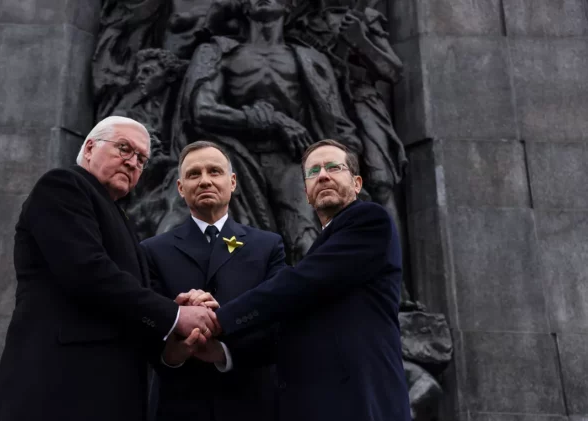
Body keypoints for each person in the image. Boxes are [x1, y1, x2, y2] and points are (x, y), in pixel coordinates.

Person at [0, 116, 219, 421]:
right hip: (59, 389)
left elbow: (124, 300)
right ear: (89, 148)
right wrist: (174, 315)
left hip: (106, 394)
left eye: (141, 159)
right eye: (124, 148)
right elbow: (87, 273)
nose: (133, 162)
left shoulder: (117, 216)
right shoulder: (62, 186)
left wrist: (172, 341)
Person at [207, 139, 411, 421]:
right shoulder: (321, 251)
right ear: (306, 193)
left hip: (360, 404)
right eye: (313, 172)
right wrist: (221, 351)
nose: (323, 175)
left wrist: (219, 319)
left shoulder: (370, 220)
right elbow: (291, 330)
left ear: (357, 184)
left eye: (334, 167)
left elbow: (300, 283)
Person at [164, 0, 362, 263]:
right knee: (220, 243)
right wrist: (270, 120)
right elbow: (201, 108)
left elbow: (336, 123)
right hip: (231, 159)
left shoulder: (310, 59)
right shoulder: (216, 52)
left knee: (306, 242)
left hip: (291, 161)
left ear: (289, 6)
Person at [140, 141, 286, 421]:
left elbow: (278, 319)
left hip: (252, 403)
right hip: (178, 405)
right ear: (181, 188)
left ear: (232, 182)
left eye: (214, 171)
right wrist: (175, 321)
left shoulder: (267, 246)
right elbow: (143, 324)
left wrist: (222, 349)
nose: (205, 180)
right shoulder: (152, 250)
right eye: (194, 174)